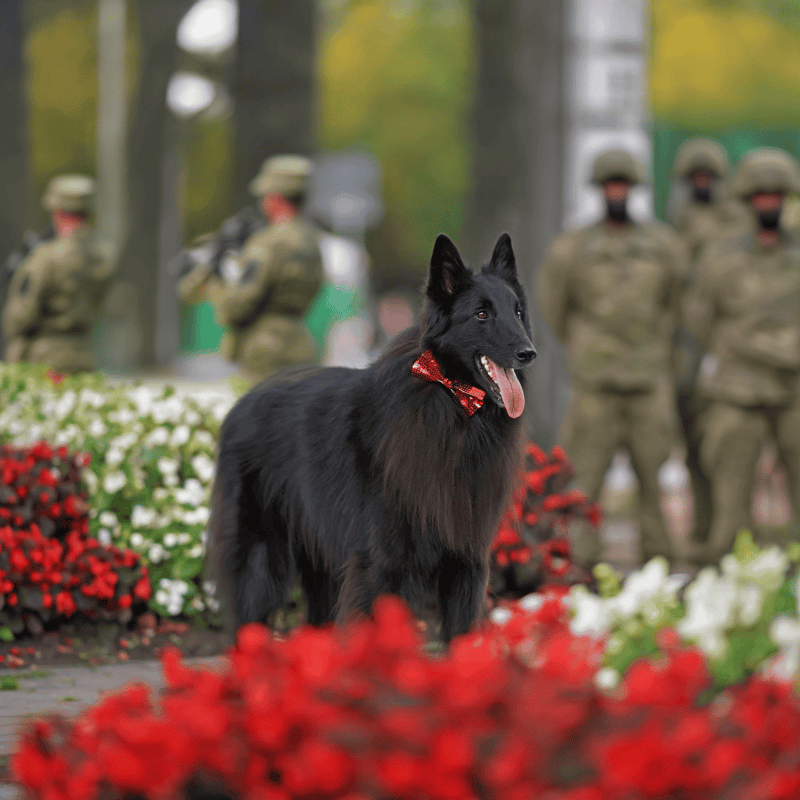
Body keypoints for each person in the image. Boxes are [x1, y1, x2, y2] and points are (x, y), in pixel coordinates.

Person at [537, 148, 687, 565]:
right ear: (600, 190)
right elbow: (555, 307)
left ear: (633, 189)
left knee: (654, 478)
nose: (617, 192)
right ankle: (580, 565)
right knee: (584, 479)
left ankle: (661, 565)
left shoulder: (663, 246)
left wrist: (653, 344)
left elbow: (676, 305)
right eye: (610, 185)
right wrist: (586, 347)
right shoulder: (572, 248)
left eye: (623, 184)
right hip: (595, 384)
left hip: (647, 378)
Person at [683, 147, 800, 565]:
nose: (768, 202)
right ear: (749, 200)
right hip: (737, 388)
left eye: (776, 195)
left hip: (793, 388)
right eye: (760, 195)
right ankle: (728, 574)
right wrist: (741, 346)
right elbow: (699, 316)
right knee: (730, 493)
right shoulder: (720, 256)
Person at [178, 155, 324, 384]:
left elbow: (239, 304)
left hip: (264, 349)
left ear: (274, 198)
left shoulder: (268, 242)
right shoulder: (311, 239)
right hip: (300, 343)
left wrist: (216, 284)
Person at [670, 138, 749, 550]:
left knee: (727, 447)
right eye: (695, 177)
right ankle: (704, 530)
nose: (703, 184)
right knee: (695, 446)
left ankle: (729, 533)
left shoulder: (736, 224)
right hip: (686, 344)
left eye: (708, 177)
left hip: (728, 344)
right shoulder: (674, 225)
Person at [2, 175, 114, 374]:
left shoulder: (45, 258)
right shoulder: (102, 256)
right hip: (84, 355)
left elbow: (19, 320)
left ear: (57, 212)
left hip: (44, 361)